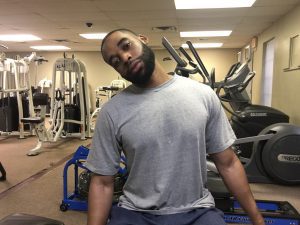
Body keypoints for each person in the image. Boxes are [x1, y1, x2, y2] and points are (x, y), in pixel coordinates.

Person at [85, 28, 265, 225]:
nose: (125, 57)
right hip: (135, 213)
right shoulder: (112, 111)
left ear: (142, 39)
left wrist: (257, 219)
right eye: (115, 61)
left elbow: (228, 163)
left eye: (126, 46)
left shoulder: (203, 95)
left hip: (197, 210)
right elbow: (102, 183)